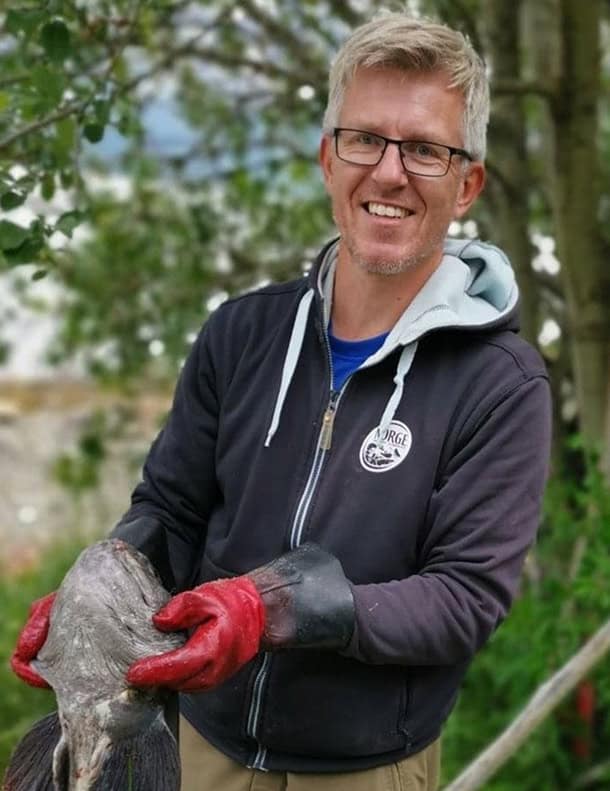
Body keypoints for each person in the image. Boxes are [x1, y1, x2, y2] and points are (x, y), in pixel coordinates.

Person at [11, 11, 552, 791]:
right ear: (328, 158)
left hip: (368, 767)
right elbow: (171, 504)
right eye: (365, 139)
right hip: (200, 745)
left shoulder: (502, 382)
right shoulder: (242, 333)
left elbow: (463, 597)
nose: (390, 173)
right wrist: (97, 592)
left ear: (467, 183)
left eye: (426, 150)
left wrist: (274, 607)